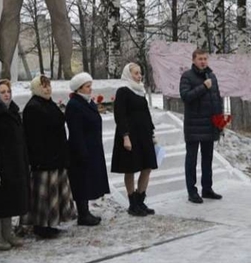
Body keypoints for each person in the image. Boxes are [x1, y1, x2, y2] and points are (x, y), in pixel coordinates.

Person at [22, 75, 76, 238]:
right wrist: (38, 158)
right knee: (44, 195)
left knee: (54, 193)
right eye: (43, 86)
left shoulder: (49, 103)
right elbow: (32, 137)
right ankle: (41, 226)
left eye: (48, 85)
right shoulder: (33, 107)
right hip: (43, 159)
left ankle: (51, 223)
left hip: (56, 156)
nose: (47, 89)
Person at [0, 80, 29, 250]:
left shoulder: (13, 111)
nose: (6, 94)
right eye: (2, 92)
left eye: (8, 91)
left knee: (10, 200)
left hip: (14, 163)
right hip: (0, 164)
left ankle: (8, 232)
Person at [111, 63, 158, 216]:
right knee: (130, 168)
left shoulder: (140, 91)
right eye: (136, 73)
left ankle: (140, 199)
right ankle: (132, 203)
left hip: (144, 135)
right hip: (130, 135)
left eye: (140, 73)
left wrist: (152, 133)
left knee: (147, 166)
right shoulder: (123, 91)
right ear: (128, 74)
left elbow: (146, 114)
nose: (139, 76)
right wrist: (125, 137)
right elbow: (120, 115)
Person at [65, 72, 110, 226]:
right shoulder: (74, 105)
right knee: (81, 181)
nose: (90, 89)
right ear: (79, 88)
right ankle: (83, 214)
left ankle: (86, 212)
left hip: (93, 147)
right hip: (81, 149)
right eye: (87, 86)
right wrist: (81, 151)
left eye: (90, 86)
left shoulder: (87, 103)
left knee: (88, 180)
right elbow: (76, 130)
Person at [180, 49, 223, 203]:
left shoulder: (212, 76)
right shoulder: (187, 76)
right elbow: (186, 97)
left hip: (209, 125)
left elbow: (217, 100)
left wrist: (220, 121)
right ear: (193, 60)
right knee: (191, 159)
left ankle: (207, 188)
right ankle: (192, 191)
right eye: (200, 59)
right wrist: (203, 87)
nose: (203, 61)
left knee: (208, 158)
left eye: (205, 58)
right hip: (194, 125)